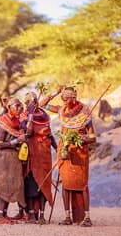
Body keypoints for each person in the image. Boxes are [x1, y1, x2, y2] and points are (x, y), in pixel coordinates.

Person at [41, 86, 96, 226]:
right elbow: (41, 105)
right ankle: (67, 216)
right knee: (66, 183)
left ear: (74, 98)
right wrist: (55, 92)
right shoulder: (61, 110)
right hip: (65, 151)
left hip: (80, 153)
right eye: (64, 99)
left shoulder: (85, 113)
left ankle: (87, 217)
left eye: (68, 98)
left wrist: (80, 138)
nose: (66, 101)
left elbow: (93, 138)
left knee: (82, 184)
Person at [21, 92, 55, 224]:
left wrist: (58, 148)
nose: (33, 104)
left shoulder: (44, 116)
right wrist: (29, 114)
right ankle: (31, 214)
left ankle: (42, 214)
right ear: (26, 103)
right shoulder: (24, 116)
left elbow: (50, 135)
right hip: (31, 155)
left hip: (45, 155)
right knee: (31, 184)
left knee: (44, 184)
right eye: (30, 101)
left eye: (35, 101)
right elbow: (28, 132)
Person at [0, 97, 26, 224]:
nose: (19, 108)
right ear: (9, 107)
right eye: (16, 106)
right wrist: (17, 141)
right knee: (4, 185)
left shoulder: (18, 122)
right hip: (3, 158)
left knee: (12, 185)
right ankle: (0, 216)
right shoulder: (3, 121)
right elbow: (0, 144)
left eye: (20, 106)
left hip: (13, 158)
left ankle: (4, 214)